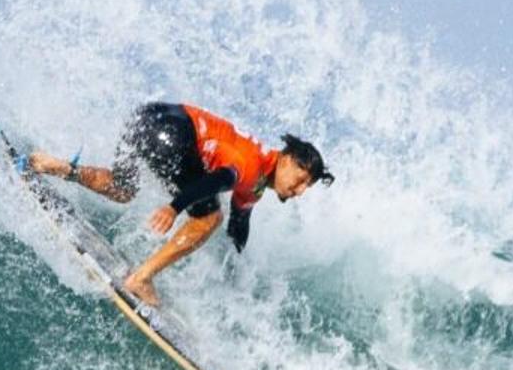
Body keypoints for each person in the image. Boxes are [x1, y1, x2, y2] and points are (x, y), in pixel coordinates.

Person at [18, 102, 331, 303]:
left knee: (123, 188)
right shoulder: (249, 166)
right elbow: (216, 182)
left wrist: (241, 272)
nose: (300, 190)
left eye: (308, 186)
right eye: (301, 179)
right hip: (172, 134)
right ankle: (141, 278)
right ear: (287, 160)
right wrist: (175, 207)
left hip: (145, 117)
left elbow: (241, 216)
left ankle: (54, 165)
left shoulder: (261, 178)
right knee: (209, 218)